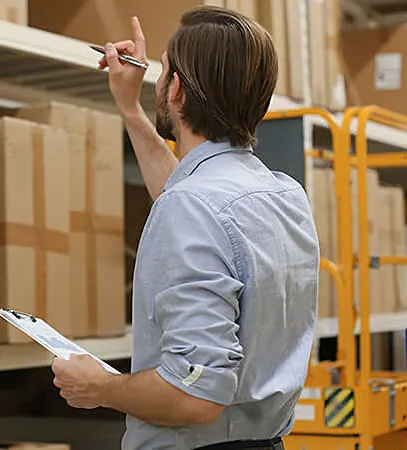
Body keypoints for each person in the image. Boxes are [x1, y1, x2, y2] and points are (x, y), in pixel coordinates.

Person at [50, 7, 319, 450]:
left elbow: (195, 395)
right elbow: (190, 196)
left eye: (164, 70)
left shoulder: (192, 206)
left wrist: (100, 386)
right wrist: (129, 107)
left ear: (175, 88)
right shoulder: (283, 195)